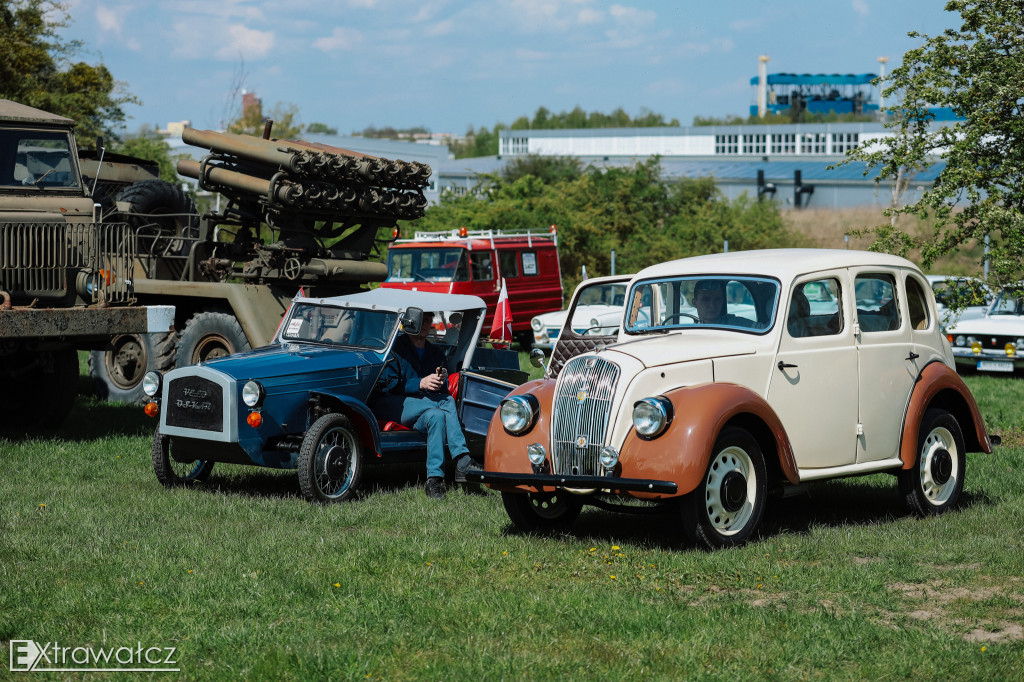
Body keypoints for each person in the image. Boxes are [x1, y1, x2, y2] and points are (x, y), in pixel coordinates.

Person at [372, 314, 481, 499]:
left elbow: (441, 389)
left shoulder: (435, 353)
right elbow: (387, 386)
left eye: (428, 321)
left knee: (436, 417)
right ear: (411, 322)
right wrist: (420, 383)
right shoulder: (395, 348)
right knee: (446, 402)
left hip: (424, 406)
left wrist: (441, 380)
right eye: (421, 320)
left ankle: (434, 481)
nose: (425, 324)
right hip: (392, 404)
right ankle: (462, 459)